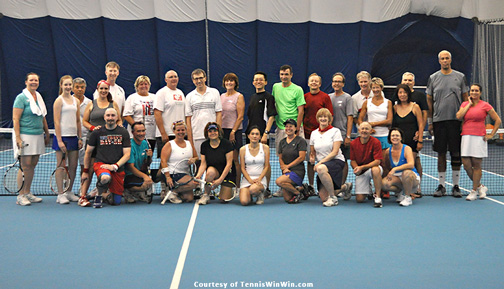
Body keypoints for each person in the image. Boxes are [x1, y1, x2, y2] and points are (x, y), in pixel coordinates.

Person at [427, 50, 469, 197]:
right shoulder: (433, 78)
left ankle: (456, 186)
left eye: (447, 58)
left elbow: (466, 99)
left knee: (456, 153)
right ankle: (441, 185)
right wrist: (430, 122)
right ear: (439, 61)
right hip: (439, 122)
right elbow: (429, 100)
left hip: (455, 121)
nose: (445, 61)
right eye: (442, 59)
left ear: (450, 60)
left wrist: (464, 120)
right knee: (441, 153)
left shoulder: (460, 77)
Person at [456, 84, 501, 201]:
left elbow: (497, 120)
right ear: (469, 92)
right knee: (466, 165)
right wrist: (469, 104)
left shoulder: (485, 105)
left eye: (476, 91)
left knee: (476, 165)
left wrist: (491, 134)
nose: (474, 92)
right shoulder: (464, 104)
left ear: (480, 93)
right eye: (472, 90)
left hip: (479, 138)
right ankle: (481, 186)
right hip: (466, 137)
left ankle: (474, 190)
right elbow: (459, 116)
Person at [12, 72, 50, 206]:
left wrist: (47, 133)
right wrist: (18, 137)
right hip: (25, 135)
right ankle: (21, 195)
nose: (34, 82)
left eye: (36, 80)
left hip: (38, 135)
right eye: (31, 80)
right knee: (25, 166)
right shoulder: (21, 98)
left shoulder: (38, 97)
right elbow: (16, 118)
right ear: (26, 82)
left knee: (33, 165)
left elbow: (42, 116)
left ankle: (27, 192)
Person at [81, 108, 131, 208]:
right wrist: (85, 170)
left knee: (116, 201)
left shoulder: (124, 132)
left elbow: (127, 154)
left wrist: (115, 166)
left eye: (113, 115)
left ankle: (98, 193)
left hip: (117, 168)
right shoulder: (97, 132)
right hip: (101, 165)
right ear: (104, 117)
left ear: (117, 117)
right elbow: (88, 152)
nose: (110, 118)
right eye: (108, 115)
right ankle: (98, 196)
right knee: (105, 178)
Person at [80, 80, 122, 200]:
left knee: (104, 167)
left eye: (106, 89)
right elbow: (85, 121)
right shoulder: (91, 104)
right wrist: (93, 128)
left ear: (108, 90)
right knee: (89, 168)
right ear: (97, 90)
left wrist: (116, 128)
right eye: (101, 89)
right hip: (93, 139)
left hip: (108, 142)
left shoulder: (113, 104)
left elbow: (119, 120)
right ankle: (83, 195)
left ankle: (101, 191)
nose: (103, 91)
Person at [153, 70, 186, 200]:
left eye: (175, 76)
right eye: (170, 77)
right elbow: (157, 113)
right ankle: (164, 189)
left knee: (177, 161)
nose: (173, 79)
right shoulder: (161, 93)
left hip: (180, 134)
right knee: (165, 162)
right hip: (166, 134)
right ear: (166, 80)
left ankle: (178, 188)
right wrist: (163, 133)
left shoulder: (180, 93)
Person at [309, 108, 351, 207]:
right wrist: (312, 159)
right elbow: (312, 152)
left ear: (329, 119)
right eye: (321, 116)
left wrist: (319, 163)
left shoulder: (335, 131)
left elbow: (335, 152)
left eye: (325, 117)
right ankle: (345, 187)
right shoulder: (314, 133)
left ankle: (333, 198)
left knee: (320, 168)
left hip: (336, 161)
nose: (323, 119)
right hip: (323, 164)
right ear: (317, 119)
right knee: (323, 198)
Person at [396, 72, 429, 196]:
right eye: (405, 80)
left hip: (413, 136)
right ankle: (402, 187)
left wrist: (420, 134)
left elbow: (424, 115)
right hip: (399, 138)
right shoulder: (397, 99)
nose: (407, 82)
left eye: (410, 80)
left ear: (414, 82)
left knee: (414, 161)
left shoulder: (419, 96)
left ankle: (416, 187)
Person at [245, 71, 277, 196]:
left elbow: (271, 117)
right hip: (251, 135)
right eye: (256, 80)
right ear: (253, 82)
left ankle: (266, 188)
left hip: (262, 135)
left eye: (261, 80)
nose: (258, 81)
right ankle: (251, 184)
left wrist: (265, 133)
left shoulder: (268, 97)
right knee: (250, 161)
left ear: (265, 82)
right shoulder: (252, 97)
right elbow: (249, 118)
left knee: (265, 163)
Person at [53, 75, 83, 204]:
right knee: (61, 166)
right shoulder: (59, 101)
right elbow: (56, 121)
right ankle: (60, 194)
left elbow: (77, 120)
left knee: (73, 166)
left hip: (73, 137)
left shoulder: (76, 100)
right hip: (62, 137)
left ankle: (69, 191)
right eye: (65, 85)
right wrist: (59, 140)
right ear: (61, 86)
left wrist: (80, 137)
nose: (68, 87)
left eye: (70, 85)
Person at [303, 73, 334, 197]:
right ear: (309, 83)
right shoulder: (304, 97)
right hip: (307, 134)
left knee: (325, 161)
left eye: (316, 81)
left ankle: (328, 185)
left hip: (323, 135)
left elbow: (330, 115)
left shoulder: (325, 97)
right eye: (312, 81)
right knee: (311, 161)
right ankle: (311, 186)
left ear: (320, 84)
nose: (314, 83)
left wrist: (326, 131)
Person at [391, 83, 424, 197]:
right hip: (397, 143)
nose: (402, 95)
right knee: (398, 165)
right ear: (397, 94)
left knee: (411, 165)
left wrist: (420, 140)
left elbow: (420, 124)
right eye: (400, 92)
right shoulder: (394, 108)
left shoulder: (415, 107)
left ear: (408, 94)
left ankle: (414, 189)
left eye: (405, 92)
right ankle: (401, 189)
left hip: (412, 141)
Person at [159, 120, 199, 204]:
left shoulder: (189, 144)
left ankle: (174, 191)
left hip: (184, 174)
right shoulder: (169, 144)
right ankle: (172, 192)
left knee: (189, 198)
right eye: (178, 130)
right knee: (194, 184)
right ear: (174, 131)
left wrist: (193, 159)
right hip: (172, 173)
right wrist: (168, 177)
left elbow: (196, 157)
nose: (181, 132)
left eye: (183, 130)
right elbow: (163, 161)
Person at [195, 122, 235, 205]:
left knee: (224, 200)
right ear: (207, 133)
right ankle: (206, 194)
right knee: (210, 172)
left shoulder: (226, 144)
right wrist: (198, 175)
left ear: (219, 132)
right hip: (214, 172)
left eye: (215, 131)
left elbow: (229, 164)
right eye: (210, 131)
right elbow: (203, 164)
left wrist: (220, 180)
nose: (213, 133)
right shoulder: (204, 145)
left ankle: (229, 189)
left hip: (227, 173)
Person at [185, 69, 222, 157]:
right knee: (199, 163)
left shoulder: (214, 92)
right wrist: (190, 139)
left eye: (201, 78)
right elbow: (188, 119)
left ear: (205, 78)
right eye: (196, 79)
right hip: (197, 136)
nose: (199, 81)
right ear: (193, 81)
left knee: (214, 161)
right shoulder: (189, 96)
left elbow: (219, 114)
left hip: (213, 135)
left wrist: (218, 132)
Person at [329, 72, 355, 196]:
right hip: (330, 137)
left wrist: (348, 136)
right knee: (332, 161)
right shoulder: (328, 97)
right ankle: (336, 185)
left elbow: (350, 118)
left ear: (343, 84)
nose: (336, 83)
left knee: (343, 162)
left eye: (339, 81)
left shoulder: (347, 98)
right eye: (334, 81)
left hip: (343, 135)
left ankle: (342, 185)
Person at [381, 128, 420, 207]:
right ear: (390, 138)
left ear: (401, 138)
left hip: (411, 177)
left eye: (397, 135)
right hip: (398, 178)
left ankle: (407, 197)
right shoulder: (388, 151)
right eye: (393, 136)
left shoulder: (407, 148)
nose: (395, 137)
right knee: (384, 184)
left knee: (406, 173)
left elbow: (411, 165)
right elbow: (388, 166)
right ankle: (400, 192)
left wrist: (395, 169)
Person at [272, 64, 306, 152]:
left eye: (286, 74)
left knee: (297, 155)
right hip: (281, 128)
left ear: (291, 75)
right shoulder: (275, 87)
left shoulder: (298, 89)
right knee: (281, 155)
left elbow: (301, 111)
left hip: (294, 128)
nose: (284, 77)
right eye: (282, 74)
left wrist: (297, 129)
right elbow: (274, 105)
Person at [350, 122, 383, 207]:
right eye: (362, 129)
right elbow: (352, 160)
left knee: (375, 169)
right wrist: (356, 168)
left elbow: (377, 161)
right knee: (360, 199)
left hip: (373, 168)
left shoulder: (376, 142)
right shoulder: (353, 143)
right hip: (361, 172)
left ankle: (378, 197)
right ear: (359, 130)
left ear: (371, 131)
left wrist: (362, 167)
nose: (364, 131)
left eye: (367, 129)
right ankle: (369, 188)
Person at [220, 73, 245, 187]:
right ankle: (225, 185)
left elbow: (240, 117)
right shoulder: (221, 96)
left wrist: (233, 132)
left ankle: (238, 186)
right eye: (227, 81)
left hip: (234, 132)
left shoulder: (239, 96)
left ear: (235, 83)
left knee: (235, 160)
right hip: (222, 132)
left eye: (231, 81)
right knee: (224, 160)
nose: (229, 83)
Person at [275, 119, 307, 204]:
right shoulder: (282, 142)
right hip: (286, 172)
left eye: (291, 126)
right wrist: (284, 168)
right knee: (288, 199)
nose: (288, 128)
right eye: (286, 126)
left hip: (298, 171)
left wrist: (287, 167)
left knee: (279, 181)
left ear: (295, 128)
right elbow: (280, 158)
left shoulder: (301, 141)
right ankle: (302, 188)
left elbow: (301, 157)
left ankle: (298, 193)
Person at [358, 77, 393, 150]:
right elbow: (360, 120)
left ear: (381, 88)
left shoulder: (388, 102)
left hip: (384, 135)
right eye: (373, 88)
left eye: (377, 87)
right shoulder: (367, 102)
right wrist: (367, 128)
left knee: (384, 160)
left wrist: (372, 124)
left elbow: (389, 121)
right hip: (371, 136)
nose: (375, 90)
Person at [239, 126, 270, 206]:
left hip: (260, 179)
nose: (254, 136)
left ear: (260, 136)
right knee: (244, 202)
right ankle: (251, 195)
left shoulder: (265, 148)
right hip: (247, 179)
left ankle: (259, 194)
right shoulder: (242, 149)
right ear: (248, 136)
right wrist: (249, 180)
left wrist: (259, 179)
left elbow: (266, 166)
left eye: (257, 134)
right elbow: (242, 168)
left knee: (253, 189)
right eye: (252, 134)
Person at [123, 122, 154, 203]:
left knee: (159, 174)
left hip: (139, 172)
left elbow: (147, 163)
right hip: (128, 175)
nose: (141, 133)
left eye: (143, 131)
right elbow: (130, 167)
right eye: (138, 131)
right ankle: (127, 191)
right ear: (133, 132)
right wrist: (145, 177)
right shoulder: (130, 145)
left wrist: (149, 157)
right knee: (145, 185)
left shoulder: (145, 143)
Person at [123, 75, 156, 149]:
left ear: (149, 85)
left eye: (146, 84)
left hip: (151, 134)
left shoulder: (154, 97)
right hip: (136, 135)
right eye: (141, 84)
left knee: (148, 157)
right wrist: (137, 127)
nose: (144, 86)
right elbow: (126, 115)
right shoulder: (132, 98)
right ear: (137, 86)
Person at [72, 77, 92, 177]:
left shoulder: (90, 103)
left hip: (85, 137)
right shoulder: (67, 101)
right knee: (70, 165)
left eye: (82, 87)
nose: (80, 89)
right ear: (72, 88)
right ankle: (66, 188)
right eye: (77, 87)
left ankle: (82, 188)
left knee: (84, 165)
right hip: (70, 137)